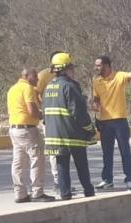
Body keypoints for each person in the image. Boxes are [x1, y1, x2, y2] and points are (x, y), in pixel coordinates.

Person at [91, 55, 131, 191]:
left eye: (98, 65)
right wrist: (95, 105)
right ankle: (107, 179)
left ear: (107, 65)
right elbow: (96, 98)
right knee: (106, 153)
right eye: (96, 65)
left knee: (124, 150)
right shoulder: (96, 81)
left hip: (119, 121)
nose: (96, 68)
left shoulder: (119, 76)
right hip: (104, 122)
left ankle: (129, 179)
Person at [43, 52, 97, 200]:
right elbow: (79, 112)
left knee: (62, 166)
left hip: (54, 135)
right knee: (81, 164)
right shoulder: (70, 86)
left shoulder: (48, 88)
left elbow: (45, 115)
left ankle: (65, 194)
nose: (74, 70)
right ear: (66, 69)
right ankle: (89, 191)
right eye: (72, 67)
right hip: (72, 134)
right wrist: (89, 129)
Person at [6, 68, 54, 203]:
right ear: (26, 76)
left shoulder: (12, 89)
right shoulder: (27, 88)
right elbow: (32, 110)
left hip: (14, 129)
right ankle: (37, 192)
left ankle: (20, 193)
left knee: (18, 162)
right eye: (35, 77)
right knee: (37, 158)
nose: (38, 79)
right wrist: (43, 115)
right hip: (27, 130)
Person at [38, 51, 68, 195]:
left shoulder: (66, 73)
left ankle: (63, 181)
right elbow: (35, 93)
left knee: (64, 152)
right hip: (49, 119)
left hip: (63, 119)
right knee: (54, 152)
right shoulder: (44, 75)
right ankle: (58, 181)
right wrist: (44, 109)